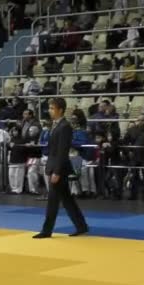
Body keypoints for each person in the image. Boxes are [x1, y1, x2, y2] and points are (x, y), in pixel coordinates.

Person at [34, 98, 89, 239]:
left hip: (60, 168)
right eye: (50, 108)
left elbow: (63, 151)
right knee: (67, 200)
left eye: (52, 108)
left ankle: (47, 230)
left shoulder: (65, 126)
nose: (50, 111)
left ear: (60, 110)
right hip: (55, 166)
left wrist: (57, 171)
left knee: (53, 200)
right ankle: (81, 226)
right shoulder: (55, 125)